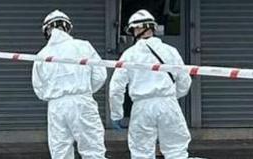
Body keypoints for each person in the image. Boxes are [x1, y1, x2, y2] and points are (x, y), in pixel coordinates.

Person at [109, 9, 192, 159]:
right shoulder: (170, 51)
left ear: (136, 30)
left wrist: (116, 114)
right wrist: (172, 97)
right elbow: (184, 80)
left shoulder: (129, 54)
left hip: (142, 107)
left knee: (141, 153)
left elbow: (116, 88)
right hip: (168, 104)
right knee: (177, 151)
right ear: (152, 28)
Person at [31, 9, 107, 159]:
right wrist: (85, 90)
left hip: (56, 106)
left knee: (60, 152)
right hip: (82, 101)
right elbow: (100, 75)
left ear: (47, 30)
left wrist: (54, 95)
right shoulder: (83, 46)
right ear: (67, 27)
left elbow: (39, 88)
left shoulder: (42, 55)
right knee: (92, 149)